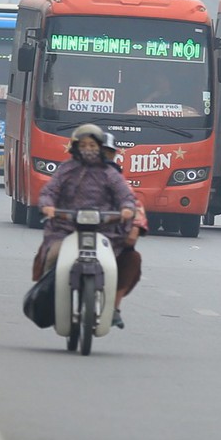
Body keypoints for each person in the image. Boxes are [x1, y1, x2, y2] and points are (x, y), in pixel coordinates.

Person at [36, 124, 144, 328]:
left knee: (117, 262)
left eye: (92, 145)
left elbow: (126, 196)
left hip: (104, 231)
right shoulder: (66, 169)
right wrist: (47, 206)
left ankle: (110, 306)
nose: (88, 149)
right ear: (76, 147)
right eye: (83, 145)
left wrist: (127, 208)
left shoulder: (109, 173)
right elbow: (49, 191)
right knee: (52, 254)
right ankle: (48, 293)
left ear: (100, 147)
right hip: (65, 228)